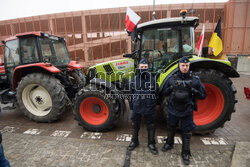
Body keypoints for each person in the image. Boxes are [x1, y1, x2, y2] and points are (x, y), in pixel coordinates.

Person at [161, 56, 206, 165]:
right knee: (171, 127)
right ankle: (169, 144)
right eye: (183, 65)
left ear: (189, 66)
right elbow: (164, 93)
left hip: (187, 110)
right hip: (172, 109)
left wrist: (193, 90)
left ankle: (185, 152)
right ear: (179, 66)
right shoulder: (172, 79)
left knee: (186, 132)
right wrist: (171, 88)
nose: (185, 67)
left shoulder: (195, 80)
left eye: (187, 65)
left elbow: (203, 95)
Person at [127, 58, 159, 155]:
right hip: (137, 106)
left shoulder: (153, 80)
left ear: (148, 68)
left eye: (145, 67)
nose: (143, 69)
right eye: (142, 67)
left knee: (151, 125)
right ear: (139, 67)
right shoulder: (134, 80)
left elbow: (156, 93)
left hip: (149, 107)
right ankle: (134, 141)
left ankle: (151, 143)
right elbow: (131, 93)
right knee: (135, 125)